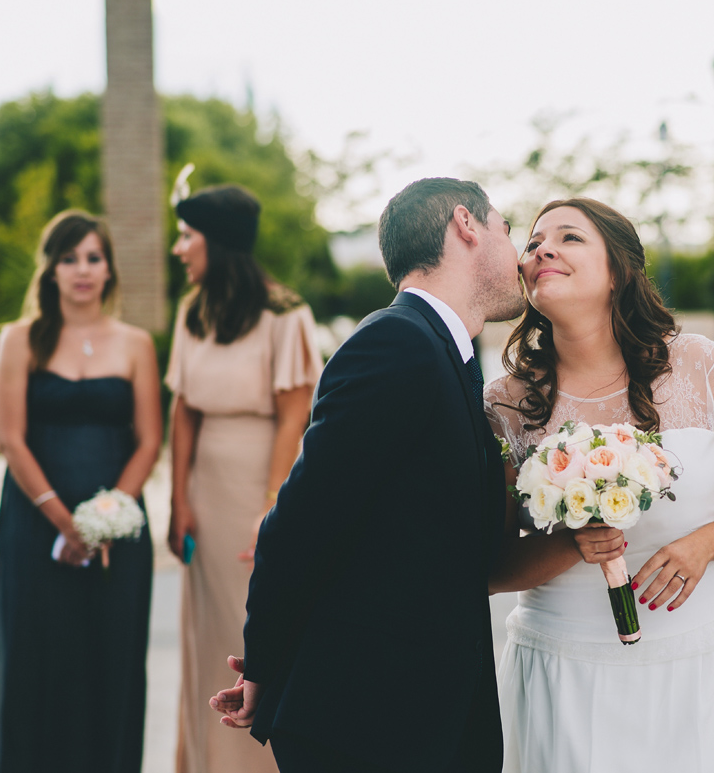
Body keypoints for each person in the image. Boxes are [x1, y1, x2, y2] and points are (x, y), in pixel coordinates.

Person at [207, 177, 525, 772]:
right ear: (466, 225)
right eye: (508, 229)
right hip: (367, 724)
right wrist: (264, 666)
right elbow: (299, 523)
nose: (520, 252)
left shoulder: (446, 352)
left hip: (420, 711)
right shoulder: (395, 343)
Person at [483, 198, 714, 772]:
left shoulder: (700, 366)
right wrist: (572, 543)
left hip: (702, 657)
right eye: (533, 242)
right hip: (563, 665)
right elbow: (490, 566)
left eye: (569, 237)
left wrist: (703, 544)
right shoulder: (505, 403)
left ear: (619, 270)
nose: (542, 248)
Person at [0, 210, 162, 773]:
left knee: (107, 660)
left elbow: (148, 441)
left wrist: (107, 517)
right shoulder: (19, 340)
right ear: (50, 271)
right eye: (69, 259)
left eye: (93, 257)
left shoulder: (136, 343)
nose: (82, 270)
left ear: (110, 268)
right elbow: (9, 438)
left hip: (118, 535)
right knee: (34, 658)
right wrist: (66, 523)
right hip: (33, 526)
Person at [165, 184, 323, 773]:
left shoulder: (285, 314)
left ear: (219, 241)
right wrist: (177, 499)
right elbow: (183, 411)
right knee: (206, 633)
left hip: (260, 484)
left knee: (250, 629)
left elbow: (293, 417)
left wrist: (270, 509)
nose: (179, 249)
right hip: (205, 492)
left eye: (187, 236)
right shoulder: (192, 311)